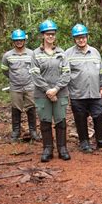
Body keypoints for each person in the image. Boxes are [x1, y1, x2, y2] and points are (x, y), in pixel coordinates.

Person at [65, 24, 102, 153]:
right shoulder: (68, 54)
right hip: (77, 92)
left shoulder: (95, 51)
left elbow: (101, 71)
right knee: (80, 117)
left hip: (95, 91)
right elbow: (65, 74)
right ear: (74, 39)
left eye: (83, 37)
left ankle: (100, 140)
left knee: (99, 114)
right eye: (78, 38)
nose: (81, 40)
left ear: (87, 37)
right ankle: (84, 142)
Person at [30, 20, 71, 162]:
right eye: (48, 34)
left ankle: (62, 148)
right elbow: (35, 75)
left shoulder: (62, 53)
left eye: (52, 34)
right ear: (43, 35)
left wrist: (56, 89)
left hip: (60, 93)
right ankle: (47, 149)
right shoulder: (35, 54)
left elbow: (67, 73)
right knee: (45, 120)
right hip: (42, 95)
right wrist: (48, 90)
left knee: (61, 120)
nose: (50, 36)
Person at [1, 29, 40, 142]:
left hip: (30, 86)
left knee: (31, 108)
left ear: (24, 40)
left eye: (21, 40)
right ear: (13, 41)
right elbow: (5, 70)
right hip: (15, 87)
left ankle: (33, 131)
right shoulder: (7, 55)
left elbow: (36, 69)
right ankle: (16, 131)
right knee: (16, 108)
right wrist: (14, 78)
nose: (19, 42)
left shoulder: (32, 54)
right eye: (16, 40)